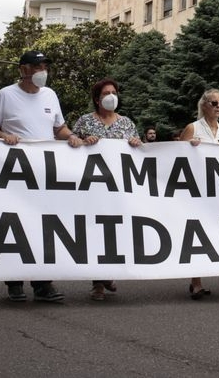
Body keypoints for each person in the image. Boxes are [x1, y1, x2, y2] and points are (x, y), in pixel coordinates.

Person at [0, 50, 84, 302]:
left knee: (43, 227)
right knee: (15, 226)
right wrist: (3, 136)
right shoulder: (5, 95)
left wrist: (71, 136)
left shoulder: (50, 95)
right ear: (23, 69)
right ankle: (15, 283)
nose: (43, 71)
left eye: (45, 66)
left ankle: (42, 283)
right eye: (37, 66)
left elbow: (59, 128)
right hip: (15, 175)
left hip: (44, 177)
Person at [72, 78, 142, 301]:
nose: (111, 96)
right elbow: (70, 141)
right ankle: (98, 283)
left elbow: (139, 150)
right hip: (92, 187)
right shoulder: (85, 122)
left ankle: (108, 273)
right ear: (97, 99)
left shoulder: (127, 123)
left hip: (118, 188)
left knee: (115, 231)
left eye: (114, 92)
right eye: (106, 93)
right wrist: (82, 140)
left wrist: (134, 144)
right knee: (95, 231)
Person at [180, 89, 219, 299]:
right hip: (195, 191)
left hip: (216, 190)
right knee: (196, 233)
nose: (218, 107)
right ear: (204, 105)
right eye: (214, 103)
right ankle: (196, 282)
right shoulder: (192, 128)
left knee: (212, 233)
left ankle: (199, 278)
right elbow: (177, 157)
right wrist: (188, 147)